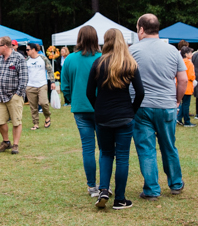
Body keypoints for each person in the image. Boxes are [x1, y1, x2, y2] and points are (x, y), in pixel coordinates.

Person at [86, 29, 145, 209]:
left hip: (103, 116)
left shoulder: (98, 63)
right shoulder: (129, 63)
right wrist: (131, 111)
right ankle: (120, 198)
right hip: (124, 115)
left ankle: (103, 189)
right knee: (122, 157)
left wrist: (99, 108)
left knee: (105, 153)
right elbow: (141, 93)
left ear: (106, 41)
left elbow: (89, 92)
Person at [129, 14, 186, 198]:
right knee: (169, 145)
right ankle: (176, 183)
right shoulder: (172, 51)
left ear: (142, 29)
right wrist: (177, 100)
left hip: (141, 106)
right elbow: (183, 79)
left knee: (146, 149)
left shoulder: (132, 51)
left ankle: (152, 189)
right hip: (166, 104)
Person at [61, 25, 102, 197]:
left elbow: (65, 86)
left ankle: (92, 186)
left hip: (80, 108)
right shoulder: (103, 58)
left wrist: (72, 99)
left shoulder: (70, 59)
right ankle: (104, 184)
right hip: (101, 107)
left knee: (88, 148)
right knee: (105, 149)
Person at [0, 36, 27, 154]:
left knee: (16, 121)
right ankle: (6, 142)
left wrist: (18, 94)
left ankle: (15, 144)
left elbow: (24, 78)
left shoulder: (19, 58)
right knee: (0, 120)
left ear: (5, 46)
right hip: (0, 96)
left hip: (14, 95)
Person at [24, 43, 54, 130]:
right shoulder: (26, 61)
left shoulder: (43, 58)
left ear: (33, 49)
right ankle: (36, 123)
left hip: (42, 84)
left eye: (28, 49)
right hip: (30, 86)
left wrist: (52, 82)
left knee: (43, 102)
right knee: (33, 107)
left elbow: (50, 70)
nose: (26, 51)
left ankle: (47, 116)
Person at [179, 48, 196, 126]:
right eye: (190, 53)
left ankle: (179, 118)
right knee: (186, 104)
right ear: (186, 54)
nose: (191, 55)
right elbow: (191, 76)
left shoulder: (180, 62)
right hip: (187, 86)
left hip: (179, 86)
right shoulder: (189, 63)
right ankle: (187, 121)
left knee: (181, 103)